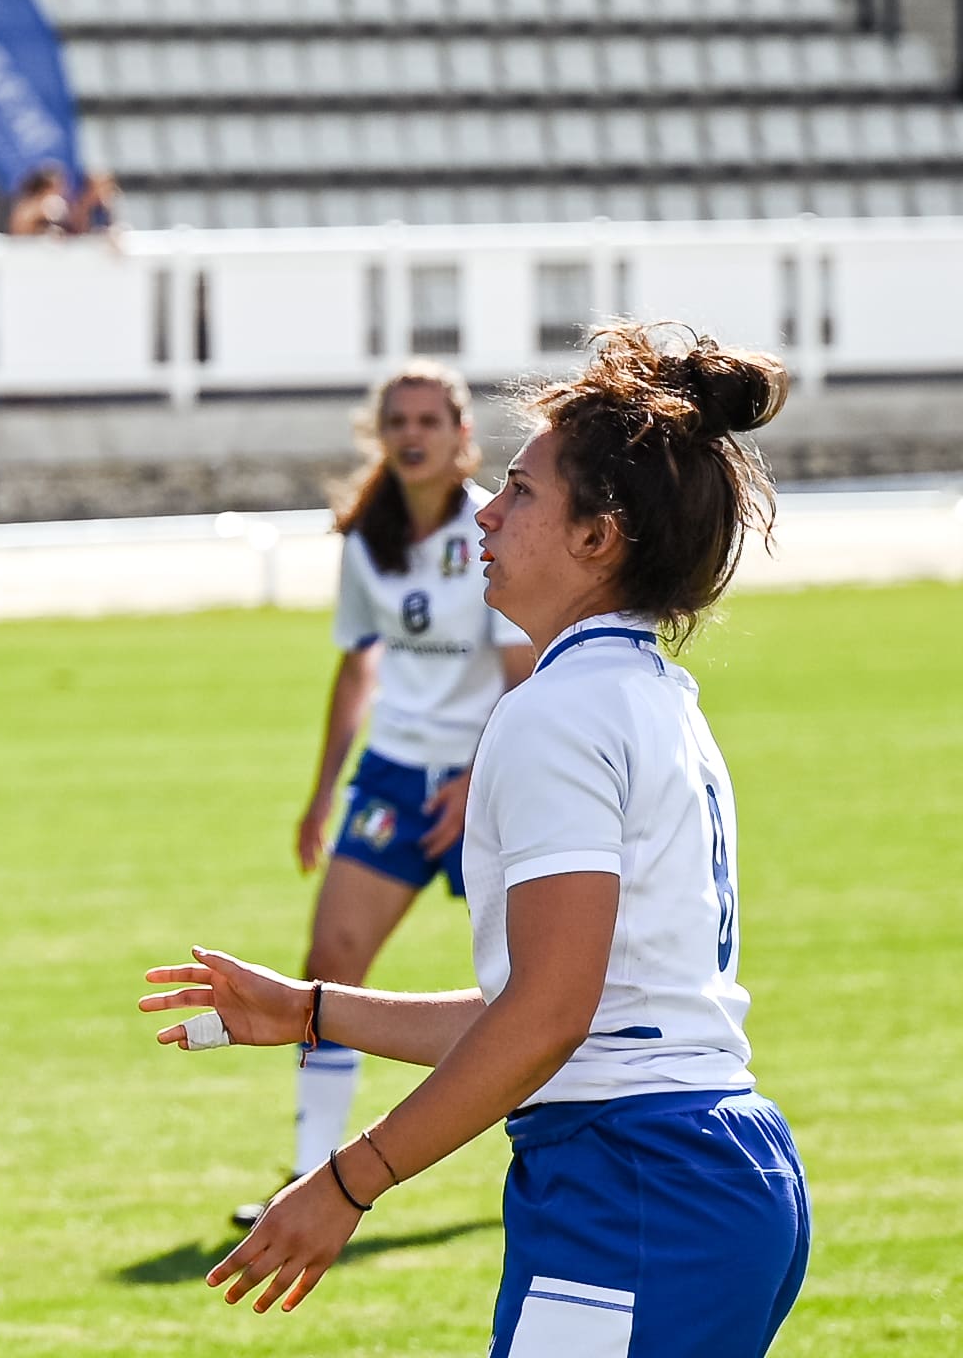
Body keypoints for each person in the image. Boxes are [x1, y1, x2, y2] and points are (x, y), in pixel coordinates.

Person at [151, 324, 806, 1355]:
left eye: (522, 490)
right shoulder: (648, 693)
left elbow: (549, 1016)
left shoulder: (557, 713)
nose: (488, 513)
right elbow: (560, 1010)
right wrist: (314, 1008)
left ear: (600, 536)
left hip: (634, 1180)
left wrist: (345, 1178)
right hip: (697, 1168)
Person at [243, 361, 532, 1230]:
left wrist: (478, 780)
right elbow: (357, 662)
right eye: (398, 420)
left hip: (492, 774)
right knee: (330, 963)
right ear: (382, 434)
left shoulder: (494, 525)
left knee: (540, 983)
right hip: (394, 778)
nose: (413, 435)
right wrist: (321, 793)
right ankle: (306, 1173)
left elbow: (524, 672)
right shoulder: (368, 536)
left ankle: (570, 1158)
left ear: (459, 437)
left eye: (429, 421)